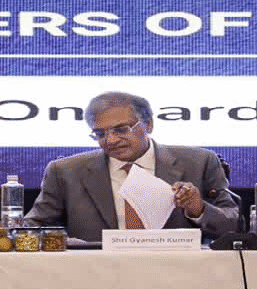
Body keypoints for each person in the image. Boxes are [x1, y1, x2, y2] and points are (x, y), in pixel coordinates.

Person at [22, 91, 240, 242]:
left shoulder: (199, 162)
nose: (110, 140)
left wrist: (198, 209)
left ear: (148, 125)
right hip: (94, 276)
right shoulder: (65, 172)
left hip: (180, 274)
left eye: (121, 130)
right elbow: (33, 227)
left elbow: (234, 227)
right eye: (100, 134)